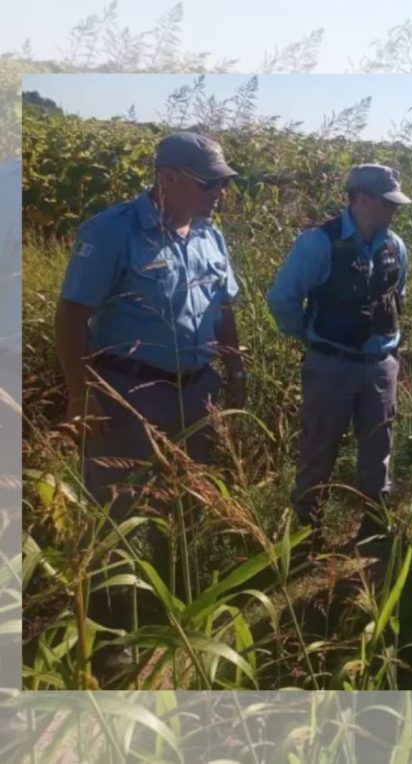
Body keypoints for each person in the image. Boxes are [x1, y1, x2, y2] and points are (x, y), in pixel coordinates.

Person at [55, 131, 246, 679]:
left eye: (222, 183)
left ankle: (172, 610)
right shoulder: (114, 231)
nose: (220, 193)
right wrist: (79, 393)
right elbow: (71, 317)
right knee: (114, 515)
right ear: (167, 179)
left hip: (198, 391)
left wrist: (236, 373)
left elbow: (224, 310)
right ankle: (112, 639)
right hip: (129, 395)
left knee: (186, 505)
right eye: (209, 183)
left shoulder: (209, 236)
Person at [267, 164, 411, 550]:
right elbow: (283, 299)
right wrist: (314, 339)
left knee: (378, 449)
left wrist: (389, 350)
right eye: (387, 202)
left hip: (380, 365)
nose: (394, 210)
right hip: (330, 364)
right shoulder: (318, 243)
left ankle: (374, 530)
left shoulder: (394, 245)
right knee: (319, 448)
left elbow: (398, 296)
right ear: (360, 199)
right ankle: (304, 536)